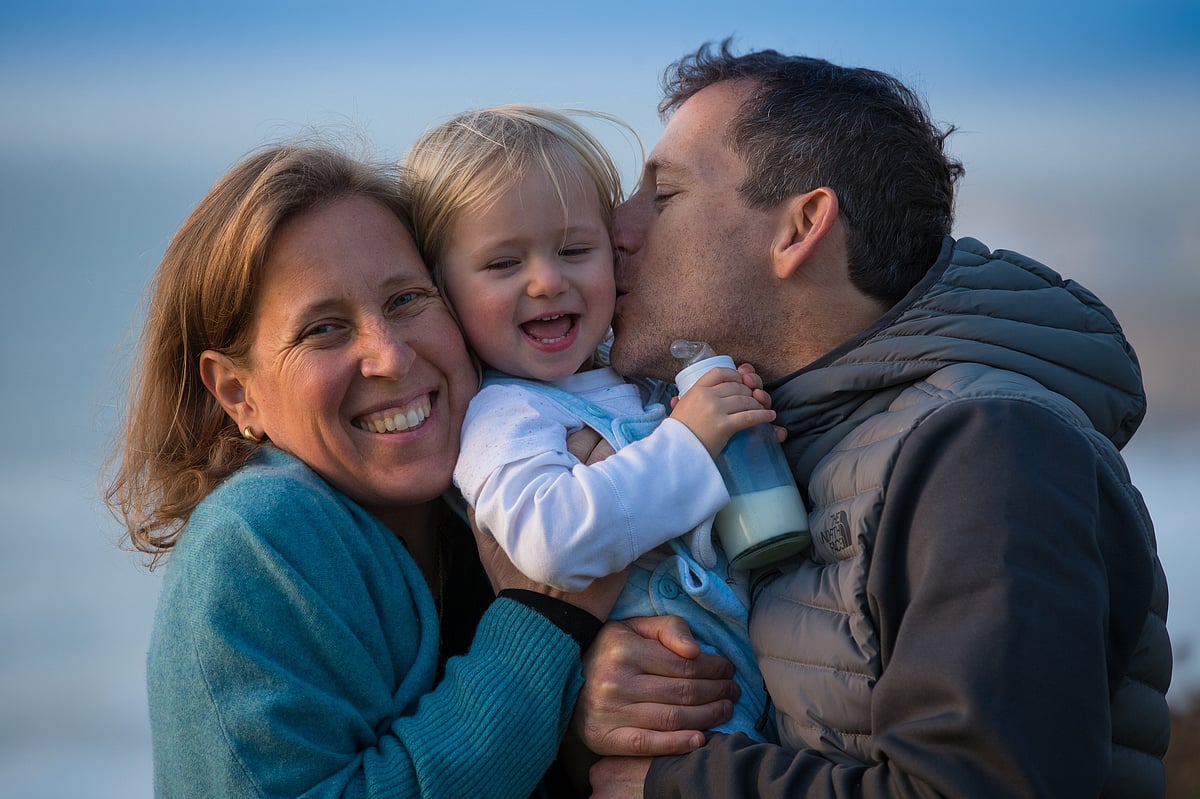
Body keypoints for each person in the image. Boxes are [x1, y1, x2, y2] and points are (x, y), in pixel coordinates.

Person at [576, 40, 1174, 797]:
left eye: (661, 198)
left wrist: (676, 784)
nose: (612, 231)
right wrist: (608, 690)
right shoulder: (753, 443)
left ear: (800, 228)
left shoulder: (988, 447)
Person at [104, 141, 637, 798]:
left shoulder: (495, 488)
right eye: (324, 329)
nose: (389, 355)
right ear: (237, 392)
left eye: (408, 298)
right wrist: (544, 614)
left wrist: (593, 717)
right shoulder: (252, 542)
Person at [403, 104, 776, 740]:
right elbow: (555, 541)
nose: (548, 281)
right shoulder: (503, 414)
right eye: (502, 264)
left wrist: (740, 433)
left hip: (742, 671)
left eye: (575, 249)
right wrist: (690, 443)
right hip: (667, 704)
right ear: (442, 288)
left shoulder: (625, 373)